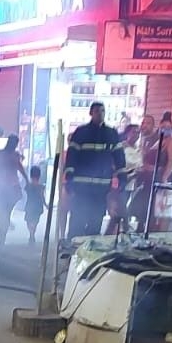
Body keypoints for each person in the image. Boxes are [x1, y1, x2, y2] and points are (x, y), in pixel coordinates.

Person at [63, 101, 124, 240]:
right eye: (97, 111)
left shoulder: (111, 133)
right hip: (81, 187)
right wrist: (69, 179)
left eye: (102, 111)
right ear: (91, 113)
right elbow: (72, 156)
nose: (100, 114)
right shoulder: (81, 132)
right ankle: (72, 251)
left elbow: (119, 157)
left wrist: (122, 177)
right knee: (77, 220)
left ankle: (89, 252)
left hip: (101, 188)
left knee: (95, 223)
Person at [0, 134, 31, 249]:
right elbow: (20, 168)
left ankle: (2, 239)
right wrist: (27, 180)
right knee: (6, 214)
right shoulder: (15, 156)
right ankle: (3, 238)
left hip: (0, 188)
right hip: (12, 187)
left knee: (1, 213)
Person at [24, 163, 46, 243]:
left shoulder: (28, 186)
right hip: (38, 206)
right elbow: (42, 197)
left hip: (29, 205)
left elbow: (25, 195)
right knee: (35, 221)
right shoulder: (41, 187)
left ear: (30, 175)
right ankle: (32, 234)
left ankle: (31, 234)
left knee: (28, 220)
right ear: (39, 176)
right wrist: (46, 205)